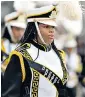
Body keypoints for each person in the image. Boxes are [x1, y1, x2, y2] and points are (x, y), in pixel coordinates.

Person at [2, 5, 68, 97]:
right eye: (46, 26)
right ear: (34, 29)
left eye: (53, 27)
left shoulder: (60, 55)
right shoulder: (20, 56)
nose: (51, 30)